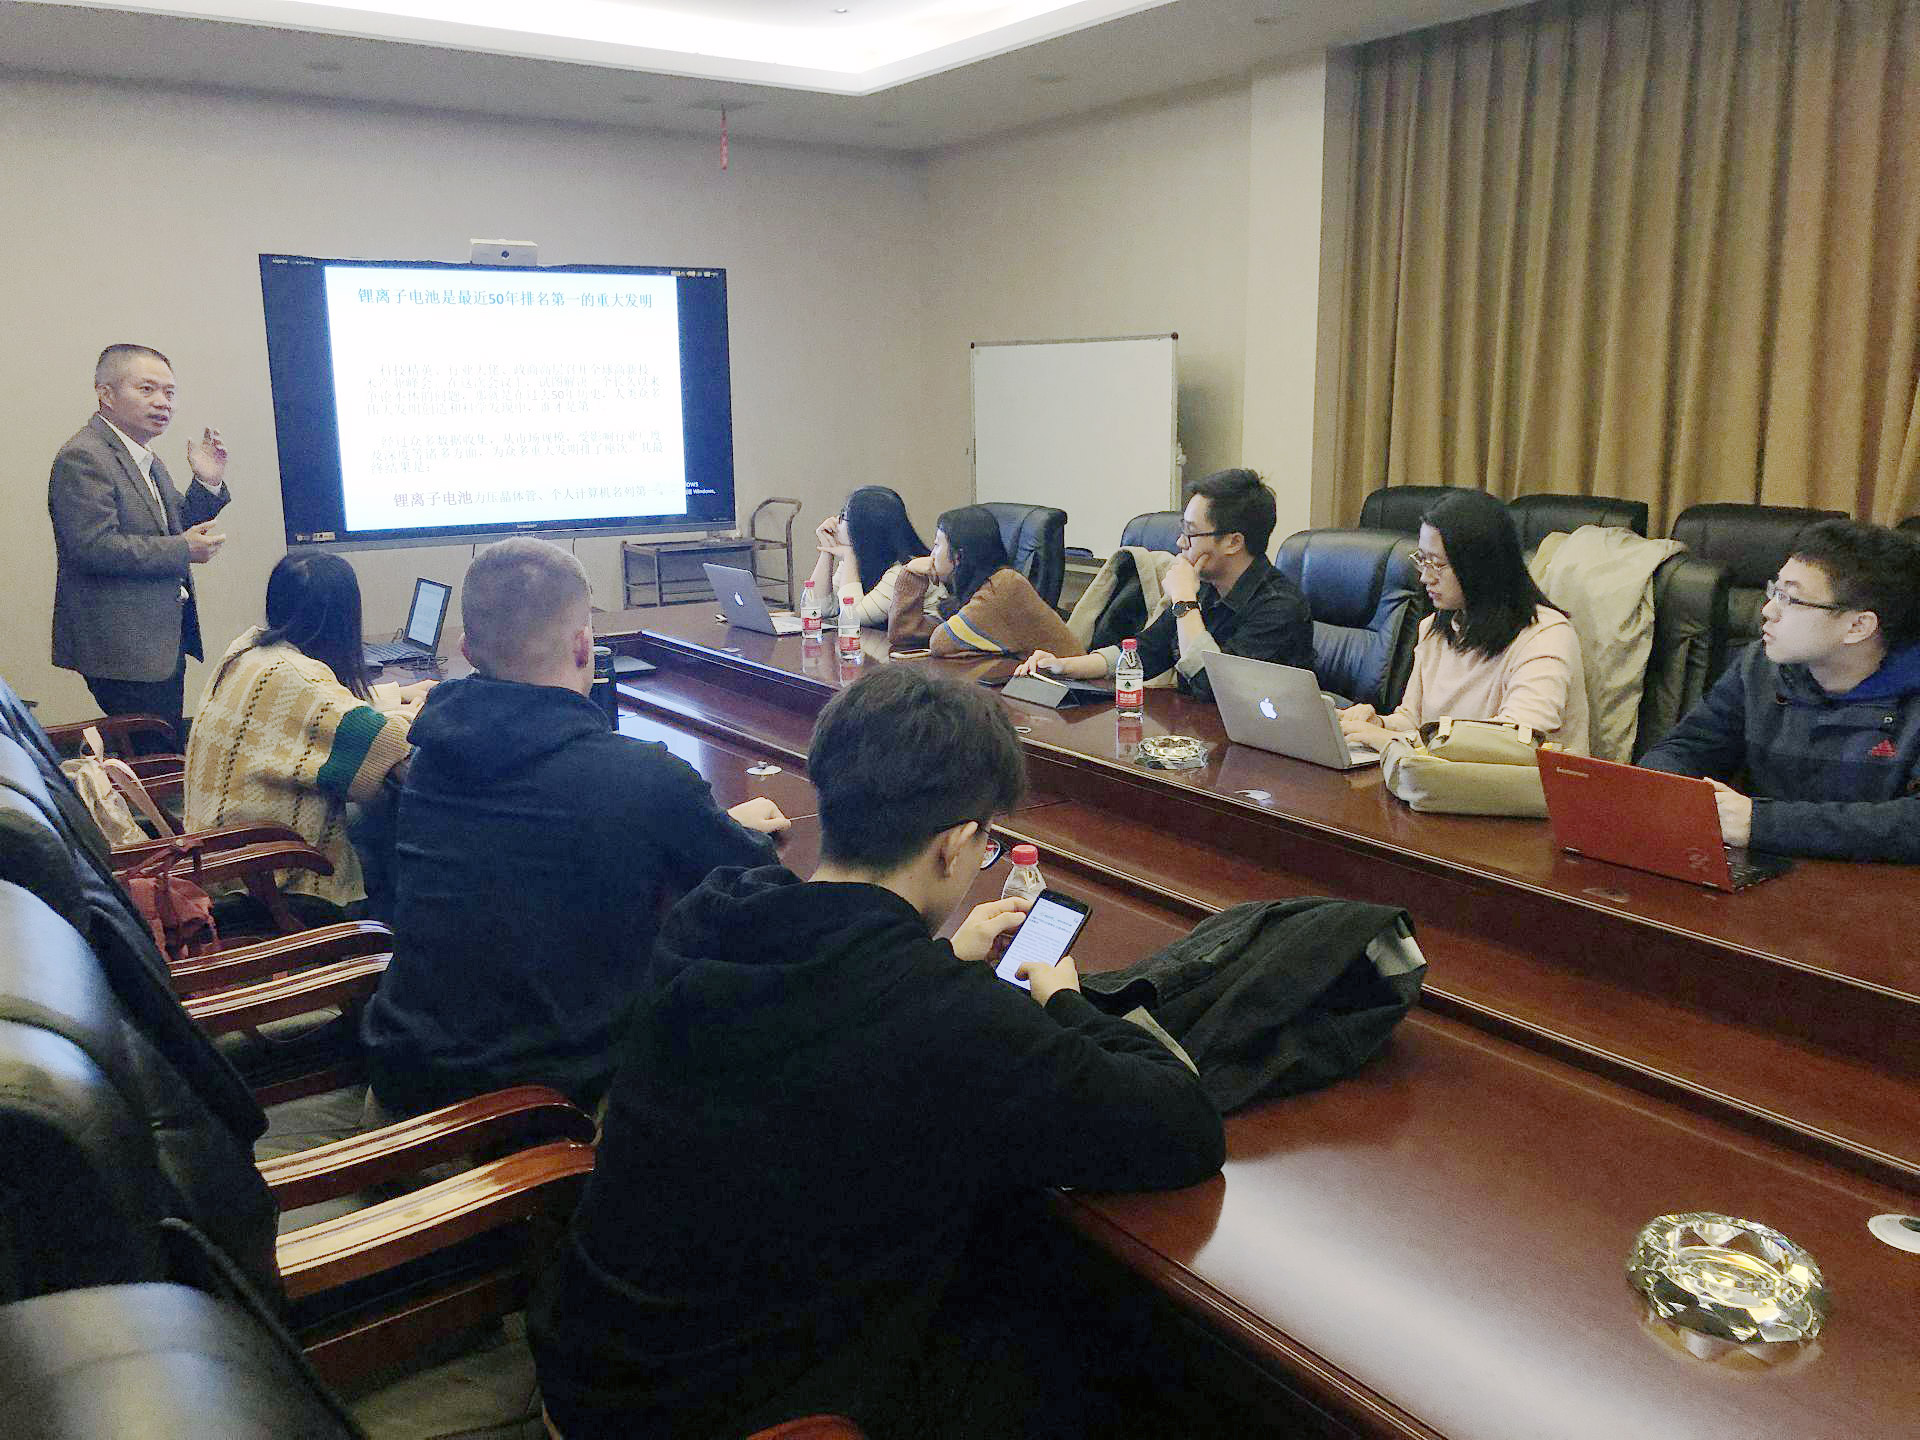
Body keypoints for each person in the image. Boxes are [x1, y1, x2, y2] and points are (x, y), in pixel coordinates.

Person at [529, 665, 1224, 1440]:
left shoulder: (715, 915)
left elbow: (837, 1009)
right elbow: (1183, 1125)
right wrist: (1064, 1000)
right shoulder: (946, 1018)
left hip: (587, 1372)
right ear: (954, 846)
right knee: (1089, 1340)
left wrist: (934, 955)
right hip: (729, 1418)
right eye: (987, 843)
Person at [360, 538, 789, 1116]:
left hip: (402, 1085)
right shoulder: (642, 779)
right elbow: (763, 890)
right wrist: (713, 823)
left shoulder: (428, 758)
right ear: (585, 645)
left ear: (466, 649)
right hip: (537, 1117)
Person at [1639, 519, 1920, 861]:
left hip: (1874, 884)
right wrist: (1666, 790)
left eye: (1790, 598)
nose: (1768, 610)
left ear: (1858, 626)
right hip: (1763, 870)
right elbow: (1687, 747)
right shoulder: (1760, 665)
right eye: (1775, 590)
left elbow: (1912, 824)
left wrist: (1760, 823)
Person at [184, 552, 427, 912]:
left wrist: (395, 695)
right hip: (268, 881)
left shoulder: (252, 651)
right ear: (343, 620)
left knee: (374, 820)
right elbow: (386, 744)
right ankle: (387, 931)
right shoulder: (301, 681)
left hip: (219, 857)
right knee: (390, 824)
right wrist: (419, 713)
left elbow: (321, 714)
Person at [49, 344, 233, 750]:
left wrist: (207, 483)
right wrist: (182, 550)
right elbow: (93, 547)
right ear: (106, 394)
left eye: (169, 392)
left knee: (160, 748)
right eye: (147, 389)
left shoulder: (142, 456)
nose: (162, 402)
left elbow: (174, 525)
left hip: (157, 640)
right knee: (155, 754)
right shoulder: (84, 456)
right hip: (124, 646)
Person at [1015, 468, 1312, 701]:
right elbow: (1146, 651)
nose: (1180, 542)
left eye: (1191, 533)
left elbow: (1213, 686)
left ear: (1234, 542)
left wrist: (1184, 602)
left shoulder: (1280, 607)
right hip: (1198, 733)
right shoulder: (1207, 587)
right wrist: (1065, 666)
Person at [1339, 488, 1589, 754]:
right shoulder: (1435, 628)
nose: (1425, 577)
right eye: (1422, 559)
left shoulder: (1545, 637)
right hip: (1440, 777)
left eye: (1437, 564)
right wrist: (1378, 724)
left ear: (1480, 566)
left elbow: (1513, 745)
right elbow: (1413, 721)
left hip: (1521, 779)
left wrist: (1390, 740)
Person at [888, 504, 1081, 658]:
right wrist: (910, 575)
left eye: (937, 545)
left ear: (958, 556)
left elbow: (940, 642)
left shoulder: (1003, 586)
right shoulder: (976, 588)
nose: (932, 554)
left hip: (1069, 688)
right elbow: (904, 635)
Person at [802, 485, 930, 627]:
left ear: (865, 528)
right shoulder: (860, 560)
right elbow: (816, 610)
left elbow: (853, 617)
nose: (835, 521)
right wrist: (827, 549)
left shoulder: (905, 570)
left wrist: (849, 556)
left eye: (844, 516)